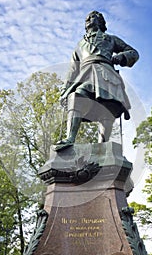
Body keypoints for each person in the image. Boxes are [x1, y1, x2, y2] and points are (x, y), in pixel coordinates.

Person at [55, 10, 139, 150]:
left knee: (107, 109)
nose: (89, 19)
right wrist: (64, 90)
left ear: (101, 22)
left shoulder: (110, 39)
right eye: (87, 18)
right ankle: (70, 138)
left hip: (106, 74)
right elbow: (72, 70)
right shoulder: (79, 45)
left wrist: (122, 56)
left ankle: (103, 146)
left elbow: (133, 53)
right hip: (85, 75)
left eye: (93, 17)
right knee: (76, 96)